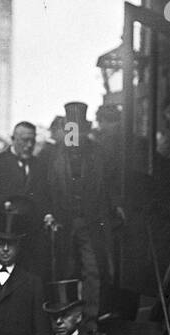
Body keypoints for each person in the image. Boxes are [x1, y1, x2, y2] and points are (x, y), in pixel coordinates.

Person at [44, 101, 123, 320]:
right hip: (63, 223)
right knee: (65, 273)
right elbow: (45, 189)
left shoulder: (99, 154)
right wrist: (50, 213)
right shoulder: (53, 156)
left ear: (85, 131)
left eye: (76, 131)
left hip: (91, 222)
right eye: (69, 130)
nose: (72, 135)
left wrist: (115, 207)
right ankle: (65, 321)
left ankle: (90, 324)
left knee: (94, 271)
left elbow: (111, 184)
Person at [0, 121, 52, 279]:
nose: (30, 145)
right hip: (5, 235)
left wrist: (48, 214)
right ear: (13, 139)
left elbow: (46, 196)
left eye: (33, 141)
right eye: (25, 140)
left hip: (32, 238)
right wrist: (4, 203)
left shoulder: (40, 166)